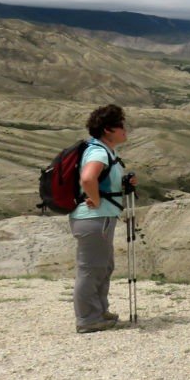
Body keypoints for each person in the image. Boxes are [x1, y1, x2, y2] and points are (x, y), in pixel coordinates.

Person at [70, 104, 130, 334]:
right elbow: (87, 179)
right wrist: (94, 199)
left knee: (103, 266)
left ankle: (99, 311)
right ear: (108, 130)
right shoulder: (98, 151)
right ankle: (87, 319)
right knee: (91, 268)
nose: (125, 130)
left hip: (100, 218)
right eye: (120, 126)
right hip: (94, 218)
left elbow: (101, 180)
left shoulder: (104, 150)